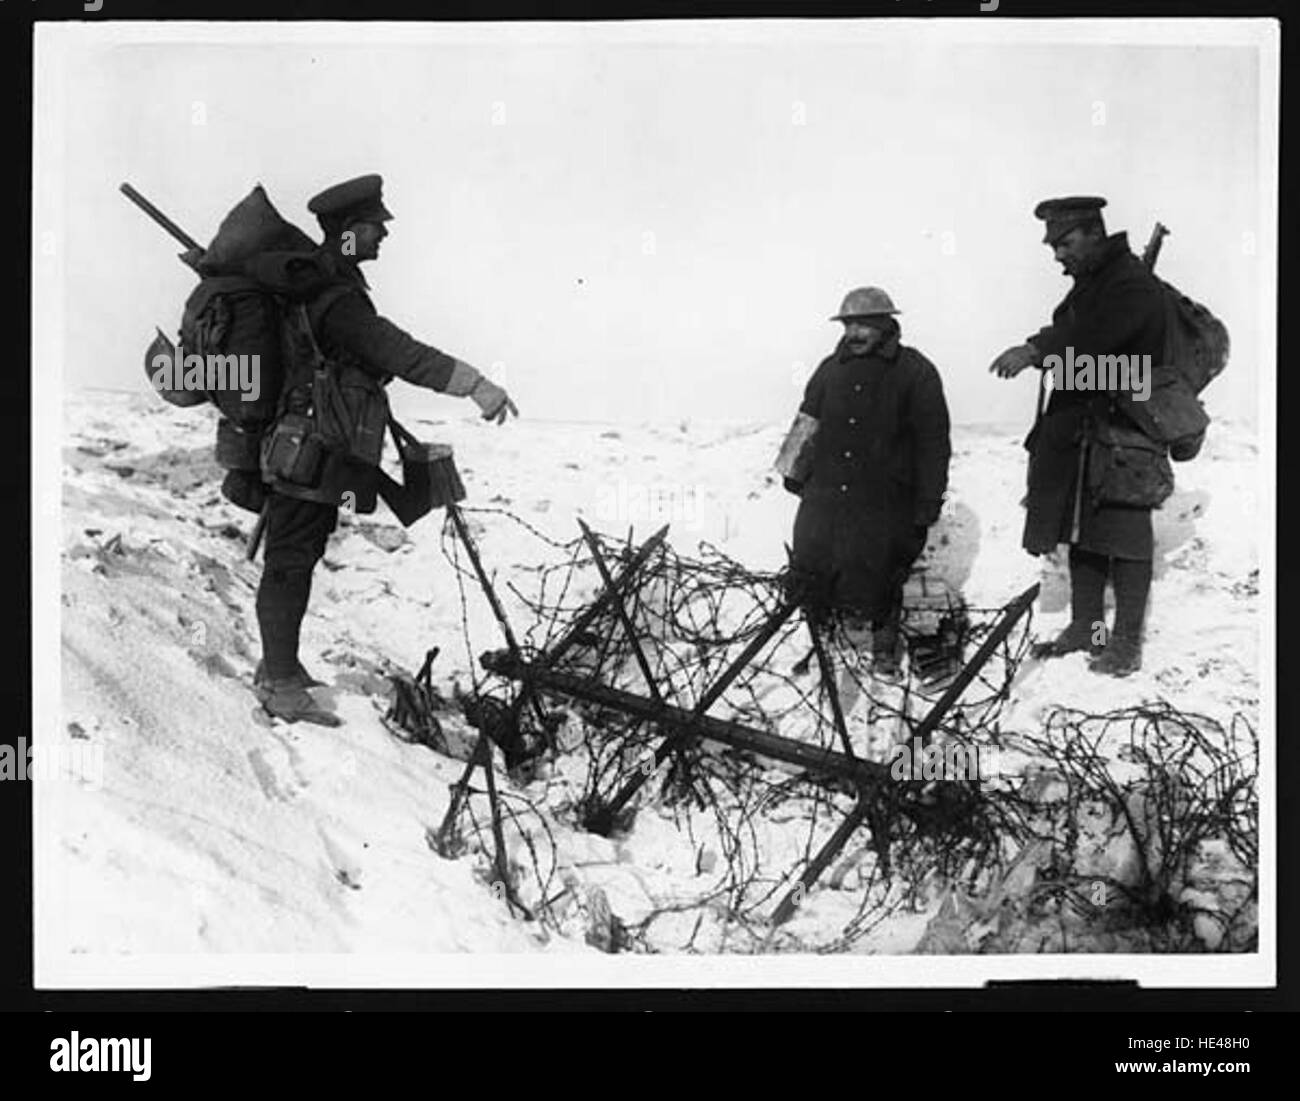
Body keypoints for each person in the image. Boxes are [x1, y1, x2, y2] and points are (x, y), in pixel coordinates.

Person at [253, 174, 518, 725]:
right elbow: (398, 351)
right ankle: (278, 682)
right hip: (309, 447)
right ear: (349, 233)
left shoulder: (325, 286)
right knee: (290, 559)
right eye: (376, 227)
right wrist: (475, 384)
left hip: (313, 444)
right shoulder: (336, 297)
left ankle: (280, 666)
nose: (383, 236)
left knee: (296, 554)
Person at [989, 196, 1166, 676]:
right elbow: (1083, 340)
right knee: (1082, 531)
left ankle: (1126, 645)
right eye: (1054, 246)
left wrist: (1037, 349)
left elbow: (1098, 340)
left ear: (1093, 232)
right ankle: (1088, 630)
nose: (1058, 255)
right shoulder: (1095, 284)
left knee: (1127, 538)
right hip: (1085, 428)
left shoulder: (1130, 283)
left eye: (1065, 243)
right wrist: (1046, 348)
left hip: (1125, 431)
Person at [776, 286, 951, 675]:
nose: (854, 333)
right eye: (848, 324)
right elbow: (808, 421)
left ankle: (884, 649)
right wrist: (793, 470)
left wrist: (928, 500)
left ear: (887, 325)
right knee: (813, 563)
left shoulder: (915, 371)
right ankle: (822, 640)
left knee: (881, 571)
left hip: (885, 498)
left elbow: (933, 443)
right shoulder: (829, 369)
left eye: (864, 325)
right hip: (827, 491)